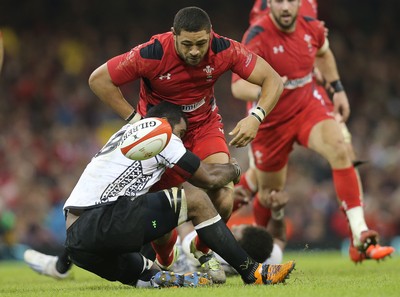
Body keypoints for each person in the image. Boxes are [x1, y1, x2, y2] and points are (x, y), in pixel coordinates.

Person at [87, 6, 283, 282]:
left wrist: (256, 117)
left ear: (210, 35)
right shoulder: (152, 53)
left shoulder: (225, 49)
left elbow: (272, 79)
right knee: (164, 226)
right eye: (187, 44)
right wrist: (136, 122)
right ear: (174, 35)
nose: (195, 51)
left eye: (201, 43)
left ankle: (200, 250)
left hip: (204, 127)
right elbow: (99, 80)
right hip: (162, 137)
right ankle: (169, 258)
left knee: (224, 196)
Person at [24, 102, 295, 288]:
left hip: (80, 244)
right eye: (182, 132)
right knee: (196, 199)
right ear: (169, 122)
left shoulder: (124, 134)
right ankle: (253, 272)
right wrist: (235, 169)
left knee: (154, 278)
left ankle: (62, 266)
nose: (181, 138)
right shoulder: (161, 132)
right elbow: (208, 177)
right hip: (100, 223)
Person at [231, 0, 394, 263]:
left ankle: (359, 233)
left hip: (308, 102)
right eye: (279, 2)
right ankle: (258, 251)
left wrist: (337, 89)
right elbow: (238, 86)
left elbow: (324, 53)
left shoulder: (312, 20)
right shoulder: (257, 34)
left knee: (341, 149)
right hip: (271, 117)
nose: (286, 8)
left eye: (291, 1)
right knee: (269, 192)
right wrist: (266, 90)